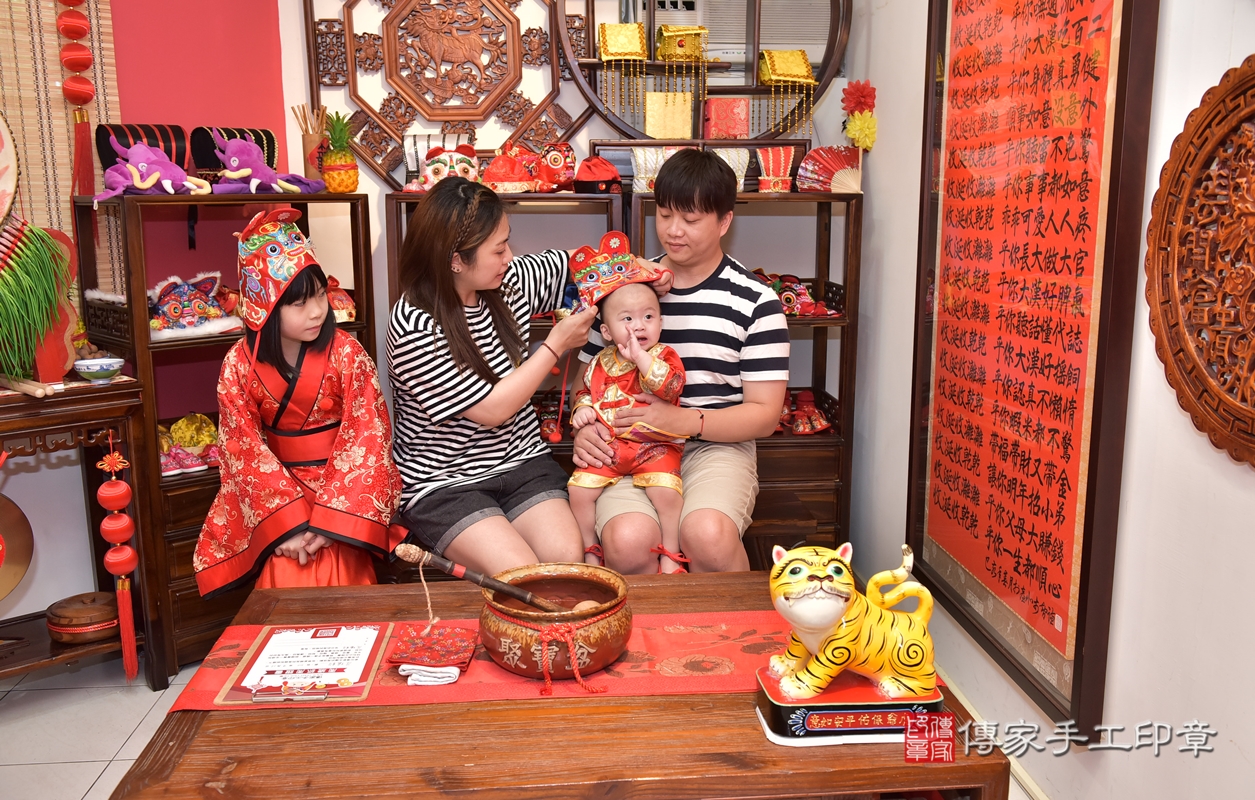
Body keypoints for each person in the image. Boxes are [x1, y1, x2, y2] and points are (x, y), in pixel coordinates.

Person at [572, 149, 790, 573]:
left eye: (690, 220)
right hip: (628, 444)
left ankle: (728, 636)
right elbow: (589, 377)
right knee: (629, 541)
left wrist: (682, 421)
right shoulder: (625, 286)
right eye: (666, 214)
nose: (674, 231)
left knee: (706, 534)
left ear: (725, 221)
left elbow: (764, 416)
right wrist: (587, 429)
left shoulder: (755, 301)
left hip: (717, 448)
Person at [388, 177, 606, 576]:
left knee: (565, 560)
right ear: (456, 259)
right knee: (519, 572)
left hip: (520, 462)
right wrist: (555, 345)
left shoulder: (509, 283)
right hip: (444, 480)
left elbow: (587, 260)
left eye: (508, 242)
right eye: (499, 248)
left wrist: (643, 270)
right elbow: (493, 409)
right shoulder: (414, 324)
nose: (510, 256)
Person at [194, 209, 403, 597]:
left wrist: (330, 521)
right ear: (265, 308)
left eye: (321, 295)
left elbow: (368, 436)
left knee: (336, 558)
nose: (318, 311)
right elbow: (243, 450)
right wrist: (286, 525)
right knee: (287, 564)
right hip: (278, 491)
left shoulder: (347, 353)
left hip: (341, 491)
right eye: (299, 303)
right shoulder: (238, 366)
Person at [567, 254, 687, 572]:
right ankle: (590, 549)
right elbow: (584, 392)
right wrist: (582, 412)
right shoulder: (599, 362)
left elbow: (671, 387)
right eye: (628, 320)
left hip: (654, 445)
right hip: (611, 449)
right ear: (606, 332)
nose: (639, 326)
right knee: (578, 490)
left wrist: (640, 358)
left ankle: (670, 553)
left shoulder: (663, 356)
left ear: (660, 323)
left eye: (649, 317)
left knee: (665, 491)